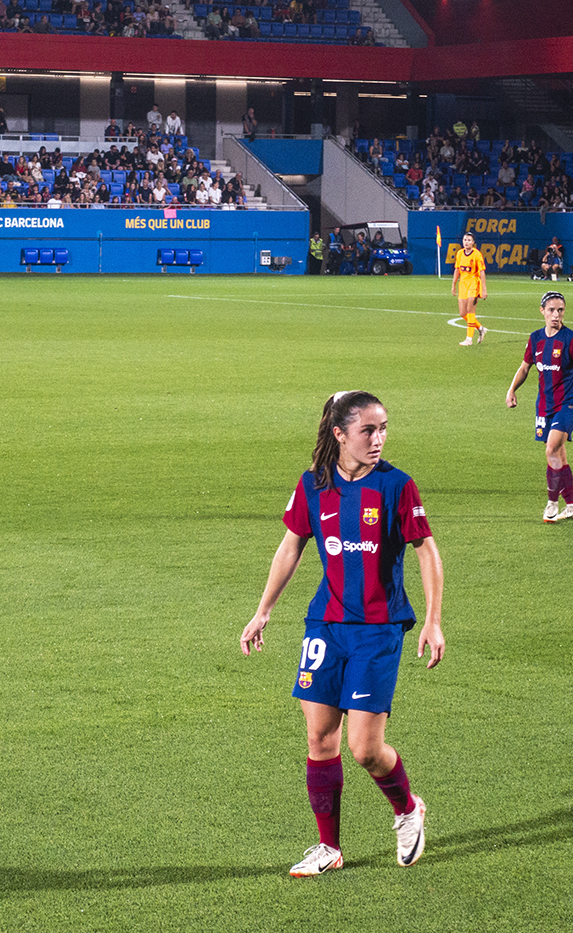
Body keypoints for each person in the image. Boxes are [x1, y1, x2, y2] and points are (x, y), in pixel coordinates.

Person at [240, 390, 444, 878]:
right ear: (339, 434)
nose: (378, 439)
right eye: (367, 430)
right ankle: (328, 847)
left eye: (383, 429)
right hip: (326, 625)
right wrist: (263, 611)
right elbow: (290, 546)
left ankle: (407, 809)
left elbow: (426, 552)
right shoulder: (313, 485)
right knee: (319, 737)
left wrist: (433, 619)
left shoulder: (396, 486)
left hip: (378, 629)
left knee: (365, 749)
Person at [505, 291, 573, 523]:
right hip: (544, 405)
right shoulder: (535, 338)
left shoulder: (572, 339)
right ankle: (572, 506)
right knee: (558, 456)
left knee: (551, 450)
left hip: (568, 403)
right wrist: (511, 390)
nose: (556, 315)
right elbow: (525, 367)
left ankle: (552, 503)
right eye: (551, 310)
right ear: (542, 311)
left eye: (560, 310)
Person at [452, 232, 487, 346]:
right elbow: (457, 269)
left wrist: (484, 289)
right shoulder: (459, 253)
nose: (466, 242)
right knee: (463, 313)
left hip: (473, 283)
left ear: (473, 242)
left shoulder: (477, 254)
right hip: (463, 284)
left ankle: (469, 339)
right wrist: (453, 285)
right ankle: (480, 328)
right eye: (465, 240)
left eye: (469, 240)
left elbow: (482, 272)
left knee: (470, 310)